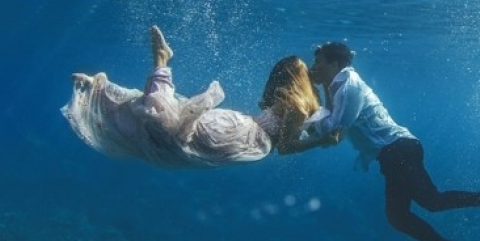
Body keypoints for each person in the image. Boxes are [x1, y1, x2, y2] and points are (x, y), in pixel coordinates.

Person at [304, 41, 480, 241]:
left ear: (334, 63)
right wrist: (321, 91)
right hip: (393, 153)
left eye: (318, 62)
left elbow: (335, 126)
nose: (314, 67)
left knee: (431, 201)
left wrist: (301, 126)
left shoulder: (349, 87)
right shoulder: (338, 84)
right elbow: (332, 116)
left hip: (399, 150)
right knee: (397, 216)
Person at [62, 25, 326, 168]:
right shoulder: (296, 106)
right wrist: (321, 139)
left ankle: (103, 90)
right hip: (241, 133)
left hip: (245, 136)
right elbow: (288, 144)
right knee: (163, 124)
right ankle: (153, 65)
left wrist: (322, 139)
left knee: (158, 129)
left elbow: (286, 146)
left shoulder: (298, 108)